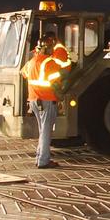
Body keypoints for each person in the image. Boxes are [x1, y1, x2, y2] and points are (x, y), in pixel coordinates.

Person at [21, 33, 65, 168]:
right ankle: (43, 161)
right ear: (48, 48)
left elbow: (23, 73)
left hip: (34, 100)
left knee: (42, 130)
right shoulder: (50, 62)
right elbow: (58, 78)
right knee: (46, 131)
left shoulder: (31, 62)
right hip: (47, 100)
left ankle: (39, 157)